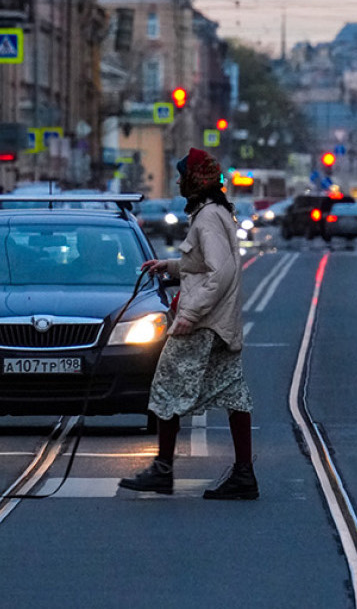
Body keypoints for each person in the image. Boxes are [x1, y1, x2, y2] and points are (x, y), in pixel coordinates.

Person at [118, 147, 258, 500]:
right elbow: (207, 264)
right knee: (233, 392)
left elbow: (221, 271)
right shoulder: (214, 212)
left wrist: (190, 315)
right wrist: (170, 266)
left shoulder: (208, 217)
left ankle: (162, 471)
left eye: (183, 175)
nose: (178, 181)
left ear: (196, 180)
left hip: (204, 322)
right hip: (220, 323)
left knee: (166, 386)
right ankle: (244, 474)